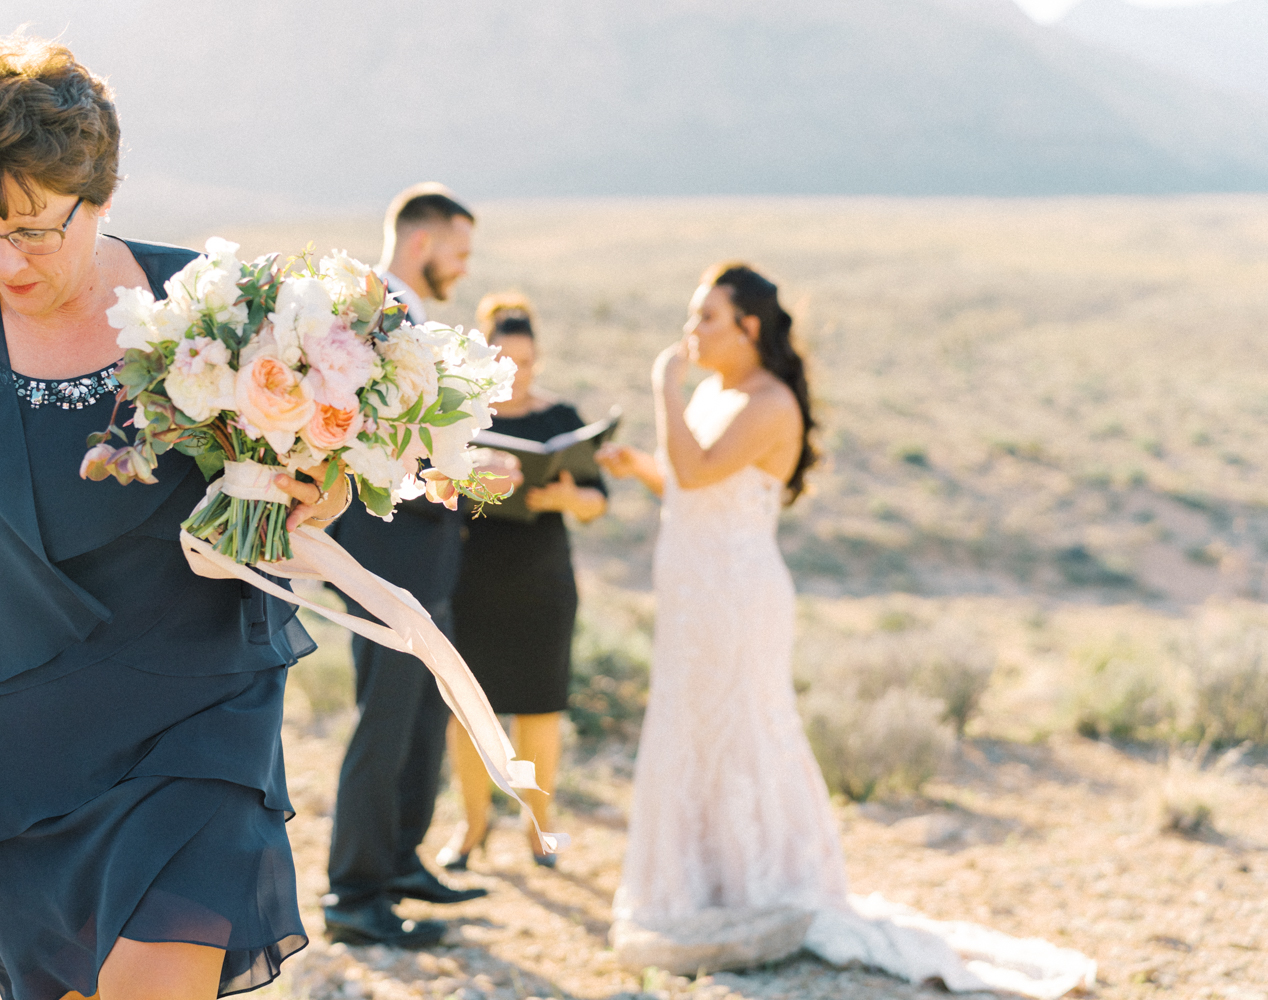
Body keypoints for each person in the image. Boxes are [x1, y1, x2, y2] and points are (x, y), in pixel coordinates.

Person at [0, 37, 352, 1000]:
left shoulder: (212, 311)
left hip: (198, 723)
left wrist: (323, 490)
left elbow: (318, 465)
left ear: (99, 195)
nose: (1, 258)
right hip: (12, 759)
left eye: (30, 229)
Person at [597, 264, 1094, 993]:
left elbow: (701, 473)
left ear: (750, 328)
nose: (690, 332)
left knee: (742, 724)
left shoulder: (769, 403)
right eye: (690, 316)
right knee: (693, 724)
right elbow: (687, 479)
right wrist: (638, 463)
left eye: (706, 318)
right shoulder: (717, 393)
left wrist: (661, 387)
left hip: (736, 597)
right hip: (694, 595)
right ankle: (706, 881)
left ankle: (762, 880)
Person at [321, 185, 514, 947]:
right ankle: (353, 895)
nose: (463, 271)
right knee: (388, 718)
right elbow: (372, 444)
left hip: (423, 550)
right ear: (423, 242)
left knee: (424, 717)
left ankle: (400, 861)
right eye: (459, 254)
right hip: (387, 551)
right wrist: (463, 472)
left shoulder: (408, 312)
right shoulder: (376, 312)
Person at [438, 294, 606, 871]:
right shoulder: (458, 417)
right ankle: (472, 827)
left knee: (539, 711)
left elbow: (596, 501)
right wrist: (481, 485)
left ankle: (540, 829)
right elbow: (435, 494)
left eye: (528, 362)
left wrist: (564, 496)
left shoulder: (561, 417)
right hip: (472, 579)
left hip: (543, 582)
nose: (519, 374)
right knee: (468, 711)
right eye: (507, 361)